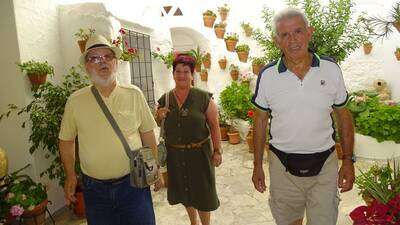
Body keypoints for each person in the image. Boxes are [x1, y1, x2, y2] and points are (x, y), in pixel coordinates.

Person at [251, 8, 355, 225]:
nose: (292, 40)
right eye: (285, 35)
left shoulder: (331, 69)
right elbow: (260, 120)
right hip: (282, 167)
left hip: (325, 164)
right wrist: (257, 165)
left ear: (309, 33)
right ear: (276, 40)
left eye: (298, 31)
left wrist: (348, 160)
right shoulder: (268, 75)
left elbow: (344, 117)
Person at [59, 34, 161, 225]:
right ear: (87, 66)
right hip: (94, 190)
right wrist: (70, 176)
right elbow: (66, 140)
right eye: (94, 58)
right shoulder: (75, 101)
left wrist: (154, 170)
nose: (102, 62)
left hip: (134, 184)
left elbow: (147, 134)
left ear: (116, 62)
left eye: (107, 57)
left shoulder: (134, 94)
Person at [155, 55, 222, 225]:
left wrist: (217, 151)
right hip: (175, 154)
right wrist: (158, 116)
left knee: (203, 192)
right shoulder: (165, 99)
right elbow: (159, 123)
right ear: (173, 74)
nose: (182, 75)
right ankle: (194, 222)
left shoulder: (203, 97)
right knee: (184, 190)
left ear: (192, 75)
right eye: (178, 71)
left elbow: (214, 125)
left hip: (200, 154)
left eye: (186, 71)